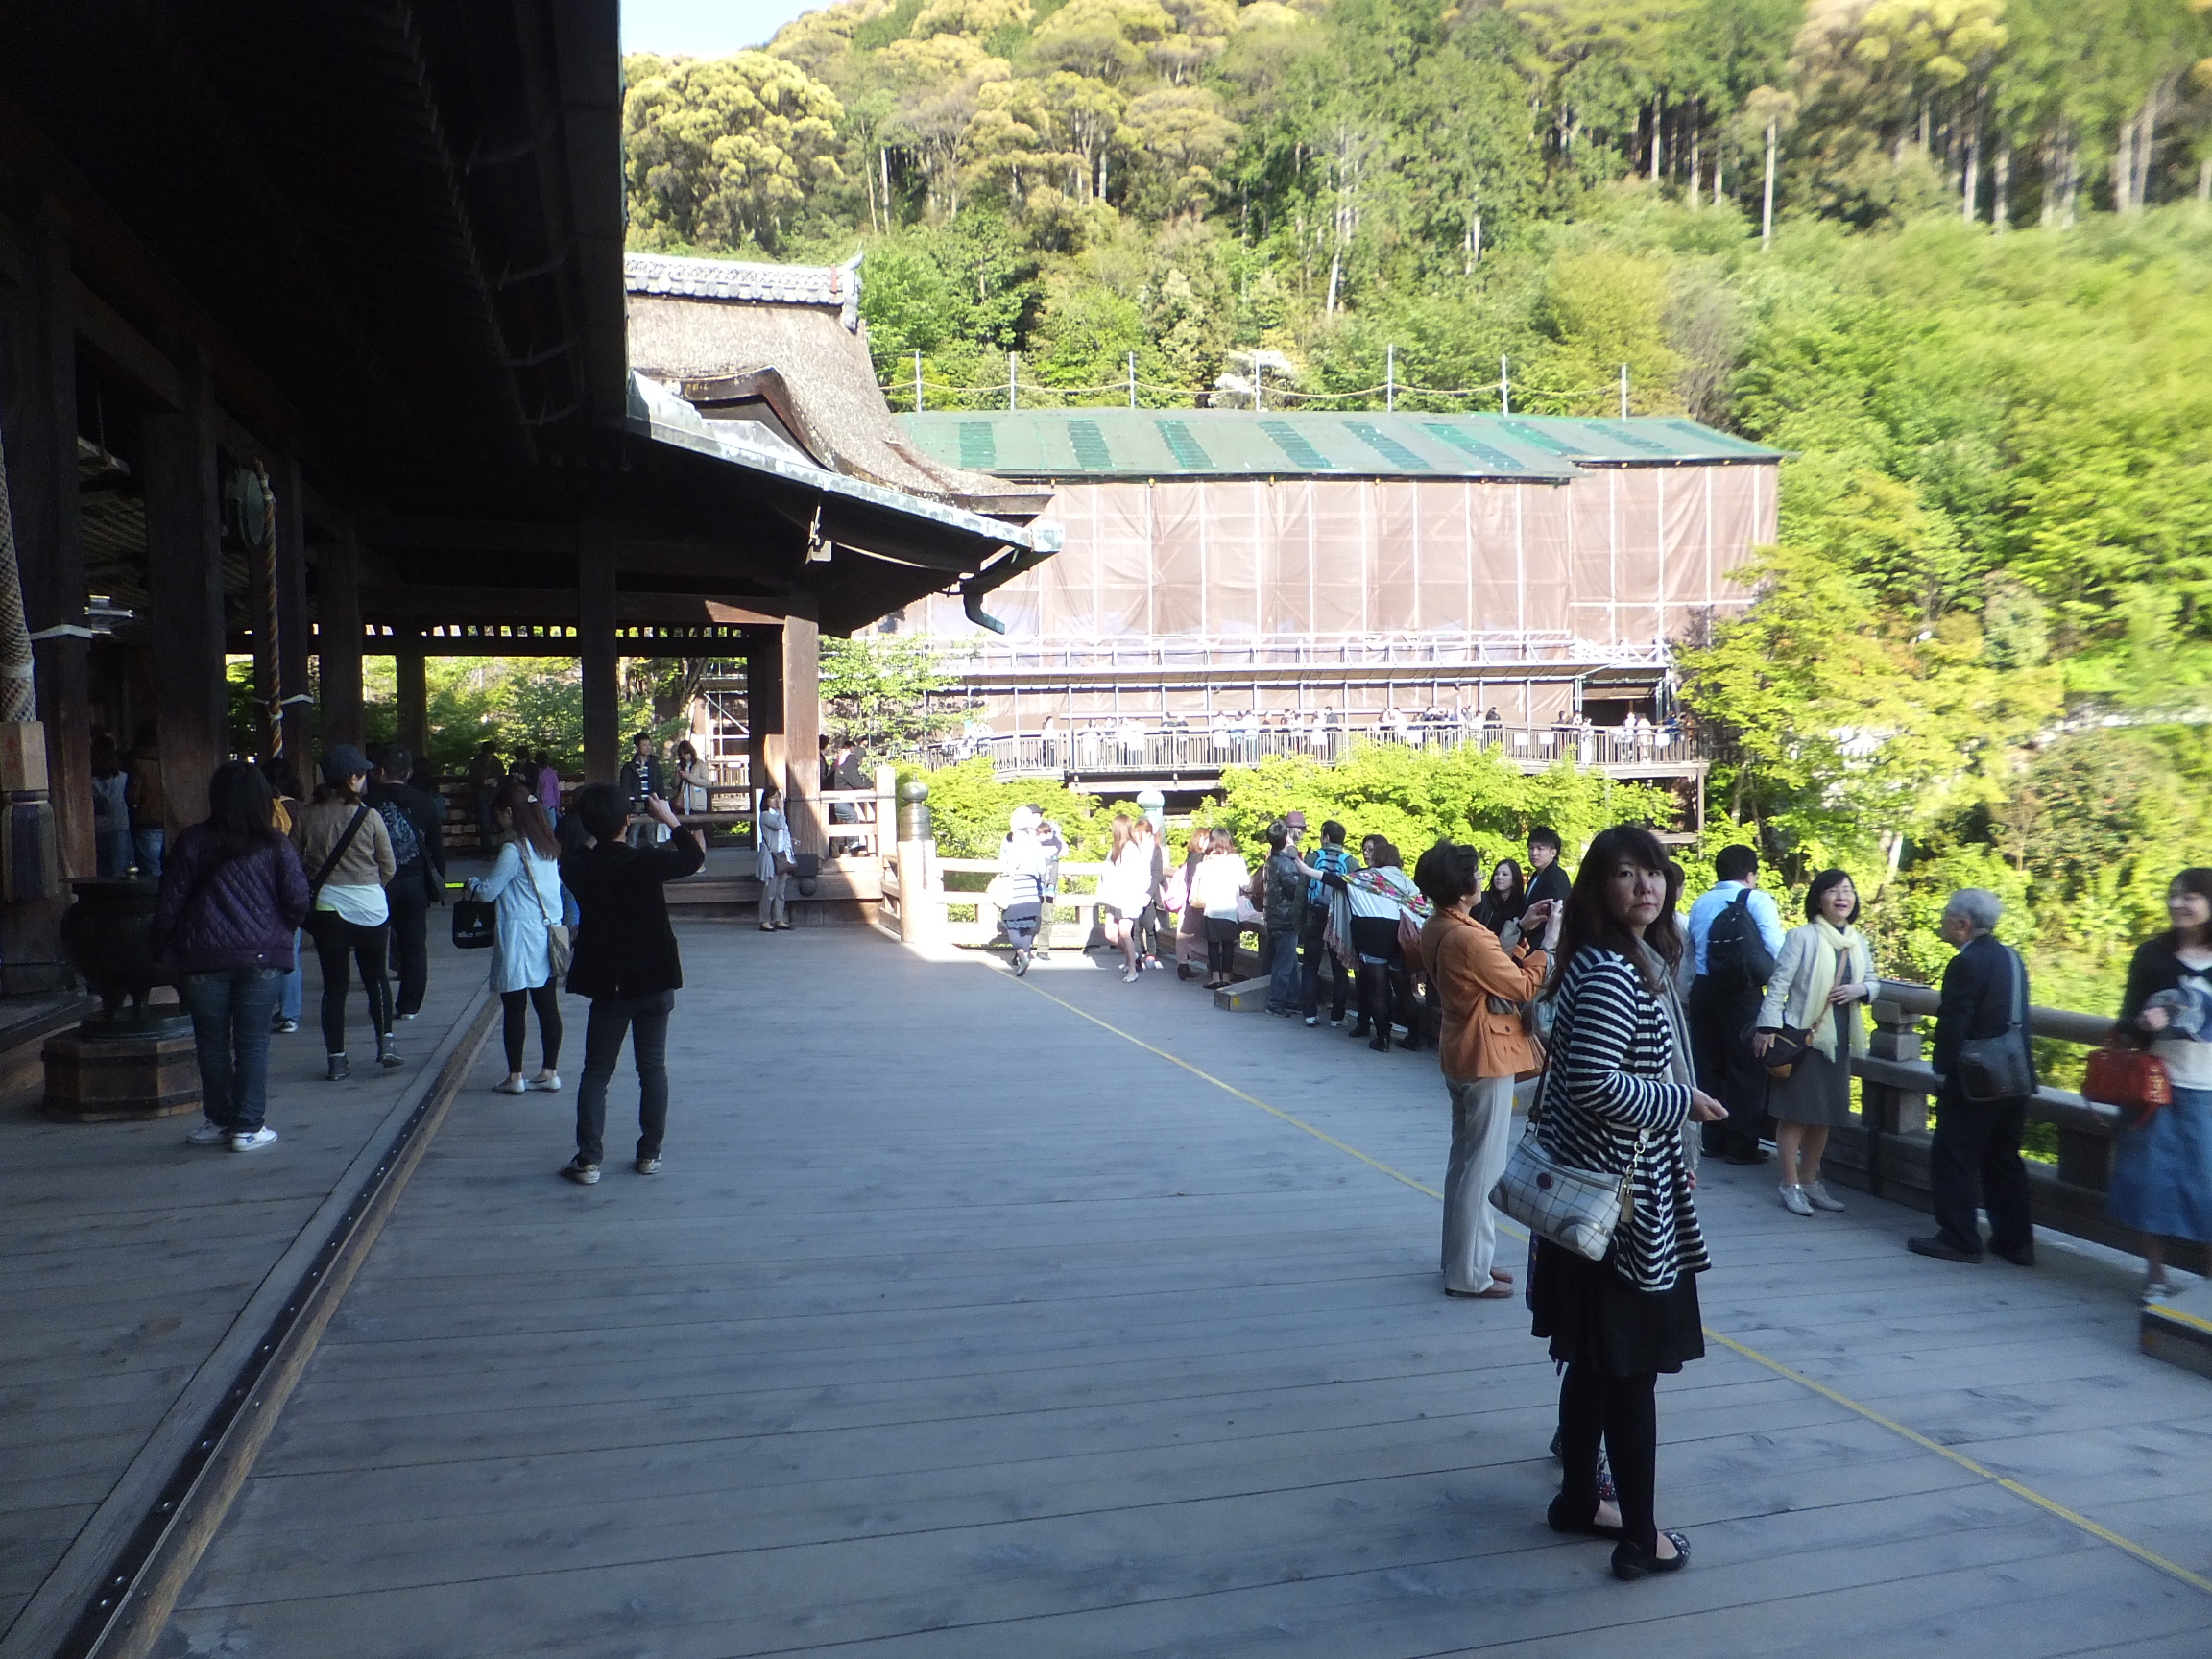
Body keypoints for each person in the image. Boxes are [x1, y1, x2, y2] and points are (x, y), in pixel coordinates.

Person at [1529, 825, 1727, 1581]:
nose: (1646, 886)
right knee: (1630, 1371)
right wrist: (1681, 1102)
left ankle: (1580, 1498)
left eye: (1654, 872)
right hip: (1623, 1206)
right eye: (1624, 874)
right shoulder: (1617, 970)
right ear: (1598, 888)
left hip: (1600, 1192)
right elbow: (1593, 1082)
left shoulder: (1612, 958)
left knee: (1592, 1359)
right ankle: (1640, 1538)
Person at [1417, 841, 1558, 1299]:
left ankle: (1461, 1258)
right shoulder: (1469, 937)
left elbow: (1485, 963)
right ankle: (1470, 1273)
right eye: (1477, 875)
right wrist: (1548, 946)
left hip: (1458, 1048)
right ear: (1463, 889)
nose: (1482, 879)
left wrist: (1522, 927)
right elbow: (1521, 986)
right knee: (1485, 1167)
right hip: (1487, 1053)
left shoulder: (1438, 925)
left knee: (1463, 1161)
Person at [152, 760, 310, 1152]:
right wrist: (279, 930)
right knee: (253, 1043)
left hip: (203, 956)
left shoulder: (192, 840)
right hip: (262, 957)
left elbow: (170, 900)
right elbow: (298, 901)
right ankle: (248, 1126)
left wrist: (163, 945)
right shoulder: (276, 845)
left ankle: (218, 1119)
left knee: (211, 1043)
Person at [557, 784, 704, 1183]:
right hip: (655, 978)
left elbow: (579, 853)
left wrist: (596, 829)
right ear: (627, 820)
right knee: (652, 1068)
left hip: (610, 985)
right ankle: (649, 1153)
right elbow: (694, 858)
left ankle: (589, 1159)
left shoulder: (578, 868)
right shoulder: (645, 861)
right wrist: (667, 817)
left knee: (596, 1072)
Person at [1911, 888, 2037, 1265]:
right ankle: (2016, 1241)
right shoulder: (2011, 957)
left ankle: (1959, 1237)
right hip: (2015, 1071)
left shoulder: (1965, 963)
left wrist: (1942, 1071)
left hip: (1976, 1076)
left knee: (1953, 1154)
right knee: (2003, 1157)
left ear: (1963, 924)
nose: (1942, 922)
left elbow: (1954, 1024)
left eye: (1946, 916)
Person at [2108, 869, 2212, 1303]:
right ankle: (2155, 1276)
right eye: (2173, 895)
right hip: (2156, 1086)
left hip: (2207, 1091)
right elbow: (2126, 1020)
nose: (2177, 904)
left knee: (2206, 1187)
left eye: (2190, 897)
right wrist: (2142, 1023)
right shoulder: (2152, 955)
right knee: (2149, 1183)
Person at [1754, 870, 1873, 1216]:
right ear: (1819, 898)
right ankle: (1790, 1184)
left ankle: (1810, 1181)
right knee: (1795, 1114)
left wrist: (1860, 989)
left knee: (1824, 1115)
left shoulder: (1857, 941)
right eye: (1833, 890)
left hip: (1838, 1038)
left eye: (1848, 890)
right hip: (1802, 1036)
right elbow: (1779, 984)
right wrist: (1766, 1027)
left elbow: (1873, 981)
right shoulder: (1801, 937)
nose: (1842, 896)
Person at [292, 745, 400, 1079]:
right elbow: (388, 865)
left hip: (328, 905)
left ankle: (337, 1059)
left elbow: (293, 860)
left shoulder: (307, 815)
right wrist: (371, 885)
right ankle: (386, 1043)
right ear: (352, 778)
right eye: (362, 774)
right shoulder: (369, 817)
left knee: (334, 987)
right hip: (370, 907)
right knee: (376, 978)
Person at [1685, 845, 1786, 1165]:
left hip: (1703, 989)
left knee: (1708, 1066)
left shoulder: (1700, 902)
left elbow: (1691, 951)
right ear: (1750, 874)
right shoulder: (1757, 900)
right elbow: (1777, 948)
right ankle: (1741, 1146)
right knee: (1746, 1067)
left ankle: (1711, 1139)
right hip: (1742, 992)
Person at [468, 780, 565, 1096]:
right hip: (548, 932)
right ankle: (550, 1072)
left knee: (514, 1007)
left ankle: (515, 1076)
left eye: (499, 814)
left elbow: (489, 892)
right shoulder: (548, 846)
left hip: (519, 934)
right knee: (547, 1005)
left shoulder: (514, 849)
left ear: (509, 813)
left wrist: (472, 885)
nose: (498, 820)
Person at [366, 745, 445, 1022]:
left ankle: (380, 1000)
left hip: (377, 882)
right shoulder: (425, 802)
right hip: (415, 881)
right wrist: (438, 883)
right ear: (409, 772)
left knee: (374, 946)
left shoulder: (367, 803)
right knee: (414, 945)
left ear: (379, 772)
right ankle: (410, 1004)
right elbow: (436, 847)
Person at [1340, 837, 1423, 1051]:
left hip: (1374, 941)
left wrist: (1305, 869)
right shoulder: (1406, 882)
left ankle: (1382, 1039)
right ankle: (1415, 1038)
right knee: (1404, 992)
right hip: (1400, 942)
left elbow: (1336, 880)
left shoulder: (1365, 879)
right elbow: (1422, 908)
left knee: (1377, 992)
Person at [1298, 820, 1358, 1027]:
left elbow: (1301, 892)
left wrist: (1299, 922)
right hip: (1338, 920)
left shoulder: (1312, 858)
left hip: (1315, 916)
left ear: (1325, 837)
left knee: (1310, 966)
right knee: (1339, 969)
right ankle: (1337, 1017)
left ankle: (1310, 1014)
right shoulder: (1351, 863)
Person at [264, 757, 307, 1036]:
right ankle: (289, 1012)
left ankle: (263, 1007)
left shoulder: (258, 809)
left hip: (262, 885)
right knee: (291, 951)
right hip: (293, 882)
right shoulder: (301, 810)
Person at [1190, 828, 1252, 990]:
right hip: (1230, 909)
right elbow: (1246, 883)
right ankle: (1227, 977)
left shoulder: (1205, 864)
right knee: (1228, 945)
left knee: (1213, 945)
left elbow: (1195, 889)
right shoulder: (1237, 861)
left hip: (1211, 908)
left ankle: (1215, 978)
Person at [997, 805, 1054, 975]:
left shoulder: (1008, 840)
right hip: (1031, 887)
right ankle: (1026, 955)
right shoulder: (1033, 841)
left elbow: (1002, 863)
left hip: (1014, 885)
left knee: (1011, 924)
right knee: (1027, 926)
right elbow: (1042, 867)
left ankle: (1022, 955)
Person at [1096, 812, 1151, 983]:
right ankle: (1131, 954)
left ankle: (1132, 968)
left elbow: (1140, 876)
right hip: (1113, 896)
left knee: (1125, 932)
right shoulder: (1114, 849)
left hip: (1128, 898)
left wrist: (1139, 897)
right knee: (1110, 933)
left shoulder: (1132, 849)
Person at [1260, 818, 1306, 1016]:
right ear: (1286, 837)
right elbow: (1295, 890)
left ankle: (1293, 998)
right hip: (1286, 917)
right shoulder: (1286, 864)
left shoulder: (1270, 861)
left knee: (1289, 959)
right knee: (1284, 962)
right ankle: (1276, 1002)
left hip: (1273, 914)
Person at [126, 722, 166, 877]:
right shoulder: (171, 761)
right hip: (173, 821)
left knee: (151, 870)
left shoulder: (138, 763)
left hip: (148, 820)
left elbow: (133, 796)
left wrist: (134, 806)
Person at [90, 736, 133, 877]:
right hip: (119, 826)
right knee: (121, 868)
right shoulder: (124, 778)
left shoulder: (90, 782)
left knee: (103, 869)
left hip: (98, 828)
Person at [619, 733, 667, 847]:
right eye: (644, 745)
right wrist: (629, 804)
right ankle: (630, 855)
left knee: (652, 835)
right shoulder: (629, 767)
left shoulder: (655, 766)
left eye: (649, 745)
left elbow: (660, 785)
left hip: (652, 803)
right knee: (633, 835)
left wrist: (662, 800)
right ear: (637, 747)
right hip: (636, 804)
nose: (648, 747)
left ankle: (654, 854)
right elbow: (625, 787)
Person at [756, 785, 793, 931]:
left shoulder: (778, 814)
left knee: (780, 891)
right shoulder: (766, 815)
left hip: (782, 855)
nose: (776, 800)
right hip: (771, 857)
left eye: (778, 797)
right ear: (766, 800)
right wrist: (782, 811)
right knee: (769, 890)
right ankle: (764, 920)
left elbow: (784, 833)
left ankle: (779, 918)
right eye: (772, 797)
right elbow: (779, 826)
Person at [1172, 836, 1209, 980]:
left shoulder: (1190, 858)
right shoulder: (1199, 859)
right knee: (1200, 936)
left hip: (1187, 901)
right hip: (1196, 903)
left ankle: (1182, 965)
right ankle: (1214, 966)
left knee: (1183, 936)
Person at [469, 740, 505, 852]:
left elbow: (503, 778)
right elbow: (471, 780)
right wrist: (482, 782)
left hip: (496, 796)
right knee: (485, 823)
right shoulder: (475, 763)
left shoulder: (497, 763)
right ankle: (487, 850)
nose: (489, 757)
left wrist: (497, 782)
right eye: (488, 755)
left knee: (501, 822)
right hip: (482, 796)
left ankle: (503, 847)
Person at [1525, 826, 1571, 912]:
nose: (1534, 853)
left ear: (1553, 853)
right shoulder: (1536, 875)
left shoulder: (1557, 877)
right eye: (1531, 848)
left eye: (1540, 848)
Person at [1478, 857, 1527, 934]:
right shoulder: (1482, 898)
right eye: (1496, 874)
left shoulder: (1521, 904)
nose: (1499, 877)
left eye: (1505, 874)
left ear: (1514, 879)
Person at [534, 751, 563, 827]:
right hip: (549, 805)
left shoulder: (536, 773)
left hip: (540, 804)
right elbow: (556, 791)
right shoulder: (551, 773)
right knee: (552, 827)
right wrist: (557, 805)